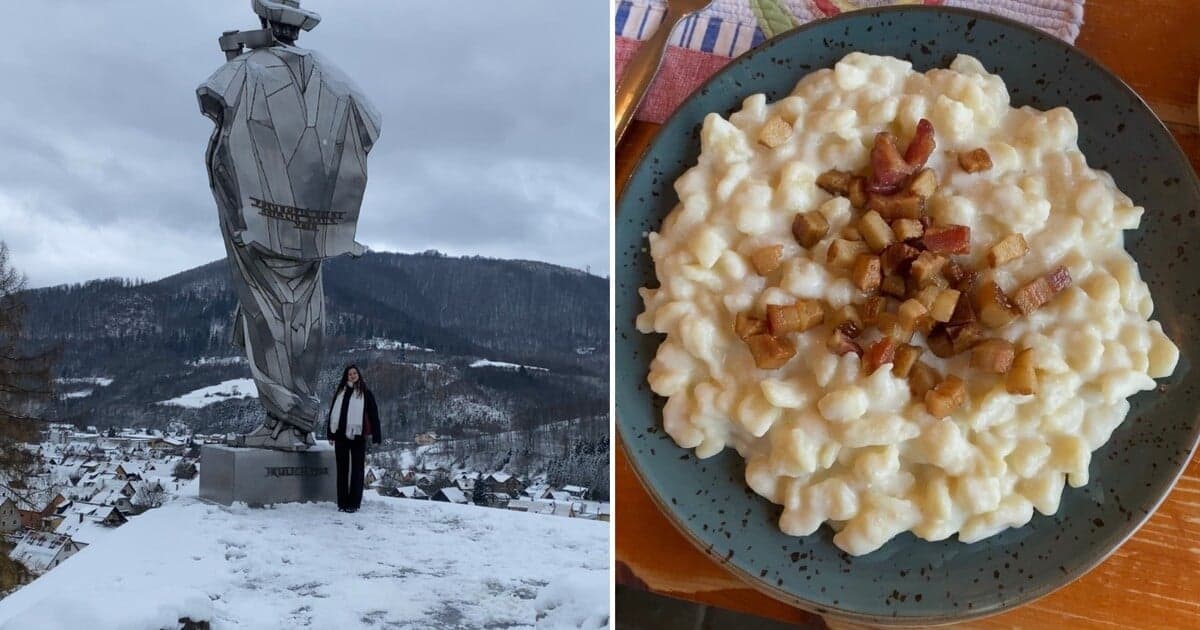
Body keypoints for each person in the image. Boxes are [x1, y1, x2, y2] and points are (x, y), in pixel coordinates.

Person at [326, 365, 382, 512]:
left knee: (357, 471)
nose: (352, 375)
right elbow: (333, 413)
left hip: (357, 436)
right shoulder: (340, 393)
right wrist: (330, 434)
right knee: (342, 470)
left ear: (358, 375)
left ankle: (354, 503)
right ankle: (342, 502)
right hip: (340, 436)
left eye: (354, 373)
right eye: (349, 374)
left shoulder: (365, 393)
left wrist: (377, 436)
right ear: (346, 376)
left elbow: (373, 414)